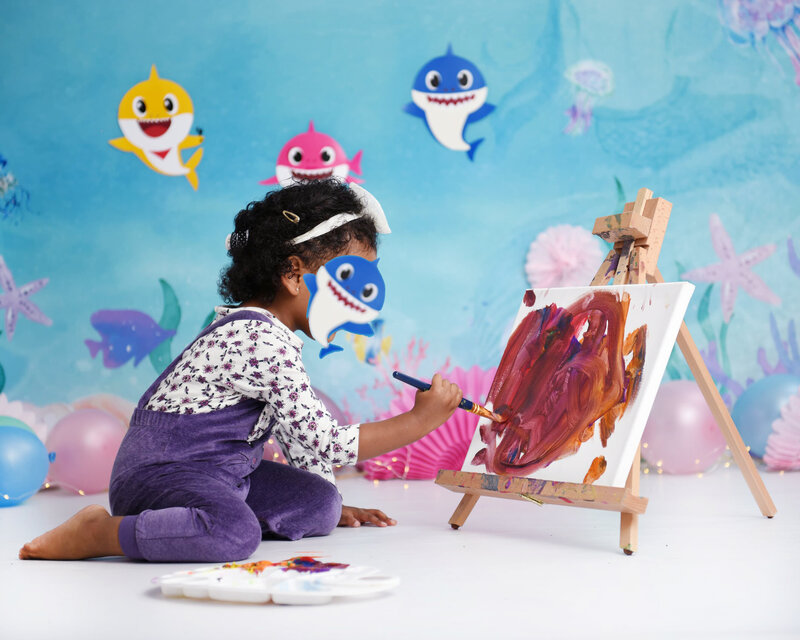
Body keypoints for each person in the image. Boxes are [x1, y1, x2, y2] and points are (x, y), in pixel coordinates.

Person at [19, 179, 462, 562]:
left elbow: (299, 441)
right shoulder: (259, 339)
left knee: (320, 504)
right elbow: (327, 443)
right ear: (293, 275)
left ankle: (200, 519)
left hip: (224, 473)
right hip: (161, 474)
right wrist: (420, 420)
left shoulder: (271, 332)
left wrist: (331, 504)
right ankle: (101, 532)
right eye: (349, 279)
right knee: (235, 535)